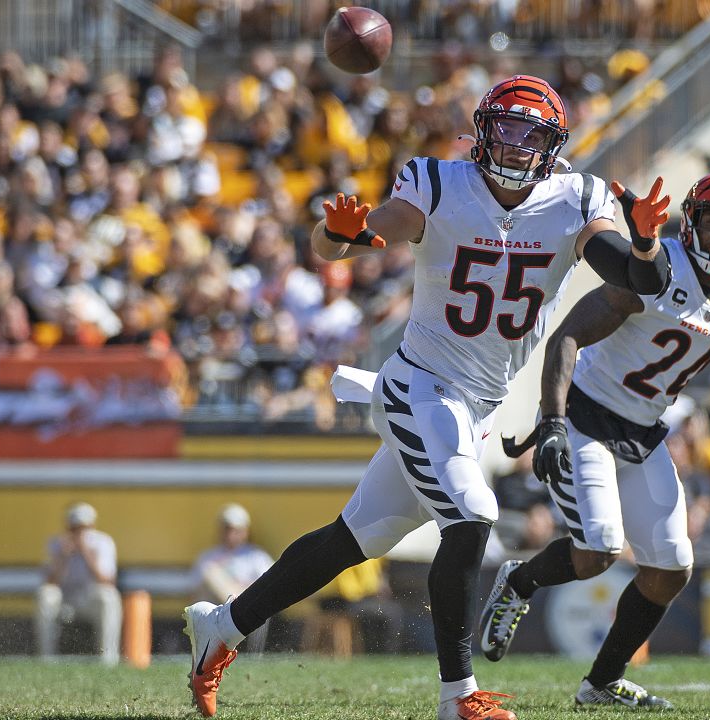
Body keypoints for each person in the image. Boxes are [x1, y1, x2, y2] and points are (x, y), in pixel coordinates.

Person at [181, 75, 673, 720]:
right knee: (472, 515)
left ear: (553, 145)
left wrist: (645, 242)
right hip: (421, 385)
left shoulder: (577, 198)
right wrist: (341, 235)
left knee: (353, 539)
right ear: (481, 129)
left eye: (532, 134)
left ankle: (222, 626)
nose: (517, 145)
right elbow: (365, 233)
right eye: (506, 128)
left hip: (476, 407)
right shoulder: (439, 183)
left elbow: (642, 279)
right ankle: (458, 698)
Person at [477, 171, 710, 708]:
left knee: (671, 568)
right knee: (598, 549)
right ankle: (520, 582)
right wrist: (551, 422)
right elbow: (568, 336)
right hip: (586, 416)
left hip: (643, 433)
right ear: (690, 221)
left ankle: (600, 684)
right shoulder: (656, 268)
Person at [34, 502, 121, 665]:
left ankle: (109, 660)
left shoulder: (103, 542)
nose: (79, 533)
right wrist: (63, 555)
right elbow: (49, 582)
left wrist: (86, 552)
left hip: (89, 600)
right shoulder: (56, 544)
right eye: (75, 528)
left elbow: (108, 581)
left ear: (92, 525)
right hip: (65, 601)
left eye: (83, 528)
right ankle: (46, 659)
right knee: (45, 595)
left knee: (109, 597)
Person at [189, 504, 274, 652]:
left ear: (245, 532)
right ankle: (230, 612)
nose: (231, 534)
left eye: (236, 529)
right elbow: (195, 589)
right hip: (218, 609)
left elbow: (270, 585)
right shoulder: (209, 556)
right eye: (227, 529)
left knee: (211, 573)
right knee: (210, 574)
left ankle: (231, 612)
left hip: (248, 603)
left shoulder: (256, 556)